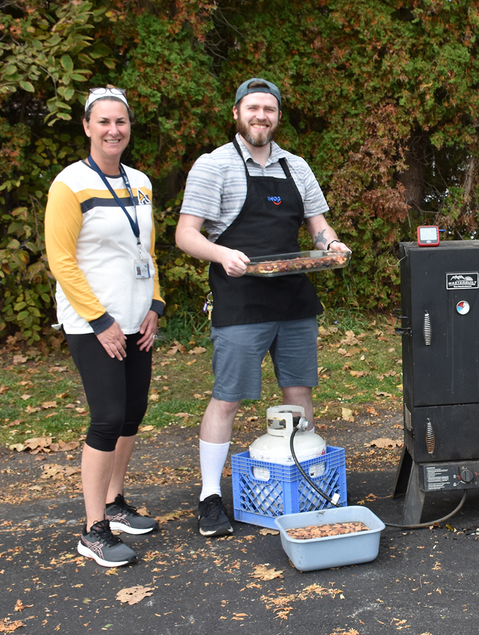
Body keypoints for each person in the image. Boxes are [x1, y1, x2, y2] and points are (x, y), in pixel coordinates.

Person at [176, 78, 349, 537]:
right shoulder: (213, 165)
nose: (261, 116)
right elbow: (186, 234)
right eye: (253, 108)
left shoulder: (296, 166)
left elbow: (318, 226)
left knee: (299, 392)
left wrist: (331, 245)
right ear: (237, 113)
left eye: (269, 109)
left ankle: (308, 482)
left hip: (293, 300)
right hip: (240, 300)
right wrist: (222, 255)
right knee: (228, 397)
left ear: (277, 117)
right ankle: (209, 497)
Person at [45, 87, 163, 567]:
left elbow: (146, 251)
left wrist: (155, 305)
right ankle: (93, 530)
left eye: (121, 122)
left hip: (138, 318)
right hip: (93, 323)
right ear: (87, 127)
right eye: (104, 122)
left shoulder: (141, 182)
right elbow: (61, 260)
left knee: (132, 414)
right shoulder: (70, 184)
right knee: (108, 417)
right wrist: (100, 321)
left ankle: (115, 504)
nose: (114, 130)